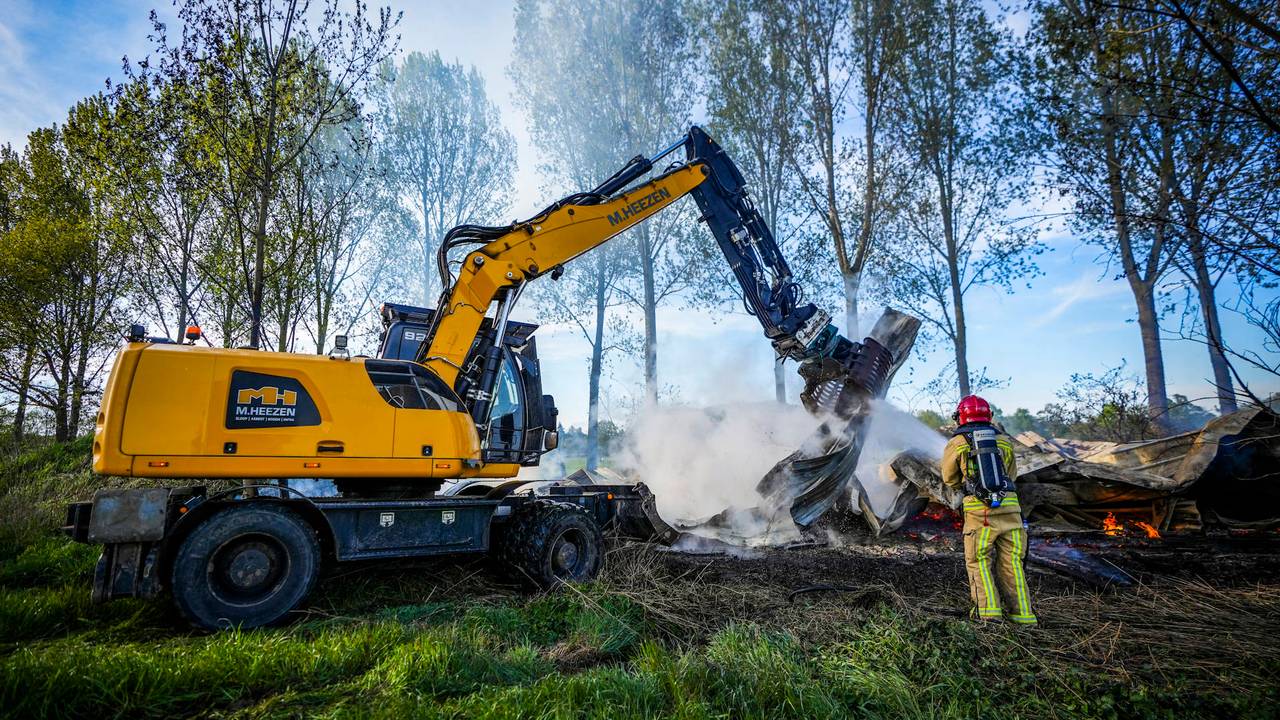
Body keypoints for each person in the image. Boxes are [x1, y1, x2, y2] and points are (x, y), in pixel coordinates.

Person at [940, 395, 1037, 625]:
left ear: (960, 417)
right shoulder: (1003, 441)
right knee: (1012, 562)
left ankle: (989, 614)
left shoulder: (958, 443)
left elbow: (949, 478)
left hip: (980, 514)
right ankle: (1023, 616)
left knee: (979, 561)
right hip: (1012, 511)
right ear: (989, 416)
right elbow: (1011, 476)